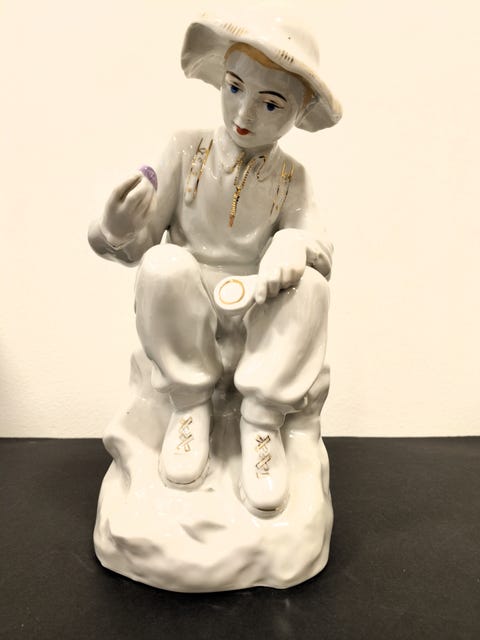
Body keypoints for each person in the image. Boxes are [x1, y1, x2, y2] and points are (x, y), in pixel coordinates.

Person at [88, 12, 341, 516]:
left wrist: (294, 243)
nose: (244, 112)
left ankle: (262, 423)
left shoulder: (292, 177)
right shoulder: (186, 149)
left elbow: (319, 244)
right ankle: (188, 408)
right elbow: (138, 247)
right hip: (189, 304)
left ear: (298, 112)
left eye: (271, 103)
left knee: (312, 288)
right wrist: (117, 227)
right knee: (162, 264)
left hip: (257, 305)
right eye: (234, 88)